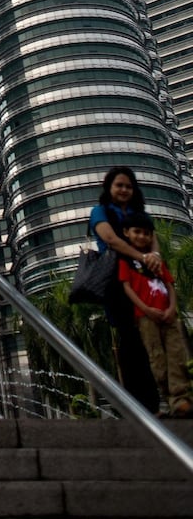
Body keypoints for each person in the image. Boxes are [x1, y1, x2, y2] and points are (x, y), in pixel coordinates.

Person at [89, 165, 162, 412]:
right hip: (116, 282)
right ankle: (136, 404)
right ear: (109, 188)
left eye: (129, 186)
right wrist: (142, 258)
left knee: (150, 338)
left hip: (144, 281)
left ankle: (154, 401)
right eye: (119, 185)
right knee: (130, 340)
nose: (124, 190)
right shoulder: (100, 211)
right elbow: (110, 239)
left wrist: (154, 259)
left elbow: (154, 243)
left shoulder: (139, 214)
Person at [119, 213, 193, 418]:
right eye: (137, 232)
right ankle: (168, 397)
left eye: (146, 233)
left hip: (169, 317)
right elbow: (127, 288)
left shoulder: (157, 262)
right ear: (126, 233)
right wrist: (146, 309)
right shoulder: (127, 261)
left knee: (177, 357)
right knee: (157, 360)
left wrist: (171, 309)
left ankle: (180, 400)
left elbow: (169, 286)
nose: (142, 237)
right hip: (146, 318)